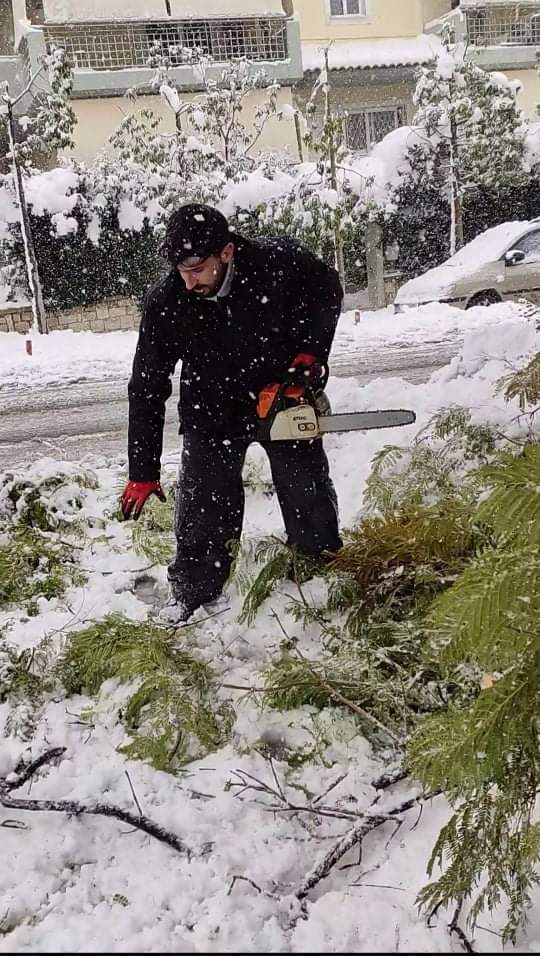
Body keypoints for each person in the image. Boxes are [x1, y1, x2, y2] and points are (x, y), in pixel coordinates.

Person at [121, 203, 343, 624]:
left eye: (197, 269)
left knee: (306, 490)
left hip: (281, 393)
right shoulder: (167, 301)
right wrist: (143, 470)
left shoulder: (276, 263)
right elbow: (147, 385)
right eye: (180, 271)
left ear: (226, 252)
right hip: (211, 407)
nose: (189, 281)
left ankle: (319, 574)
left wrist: (311, 353)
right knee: (204, 506)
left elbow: (326, 288)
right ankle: (193, 593)